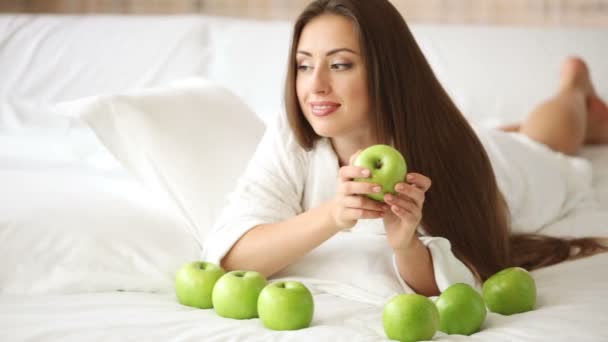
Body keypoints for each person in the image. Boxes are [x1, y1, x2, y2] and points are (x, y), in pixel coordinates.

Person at [203, 0, 608, 297]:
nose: (315, 86)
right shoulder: (291, 136)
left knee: (542, 143)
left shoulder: (446, 150)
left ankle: (573, 84)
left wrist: (405, 244)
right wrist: (334, 214)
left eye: (340, 64)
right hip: (465, 140)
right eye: (304, 65)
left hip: (506, 170)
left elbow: (465, 273)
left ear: (384, 70)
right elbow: (232, 256)